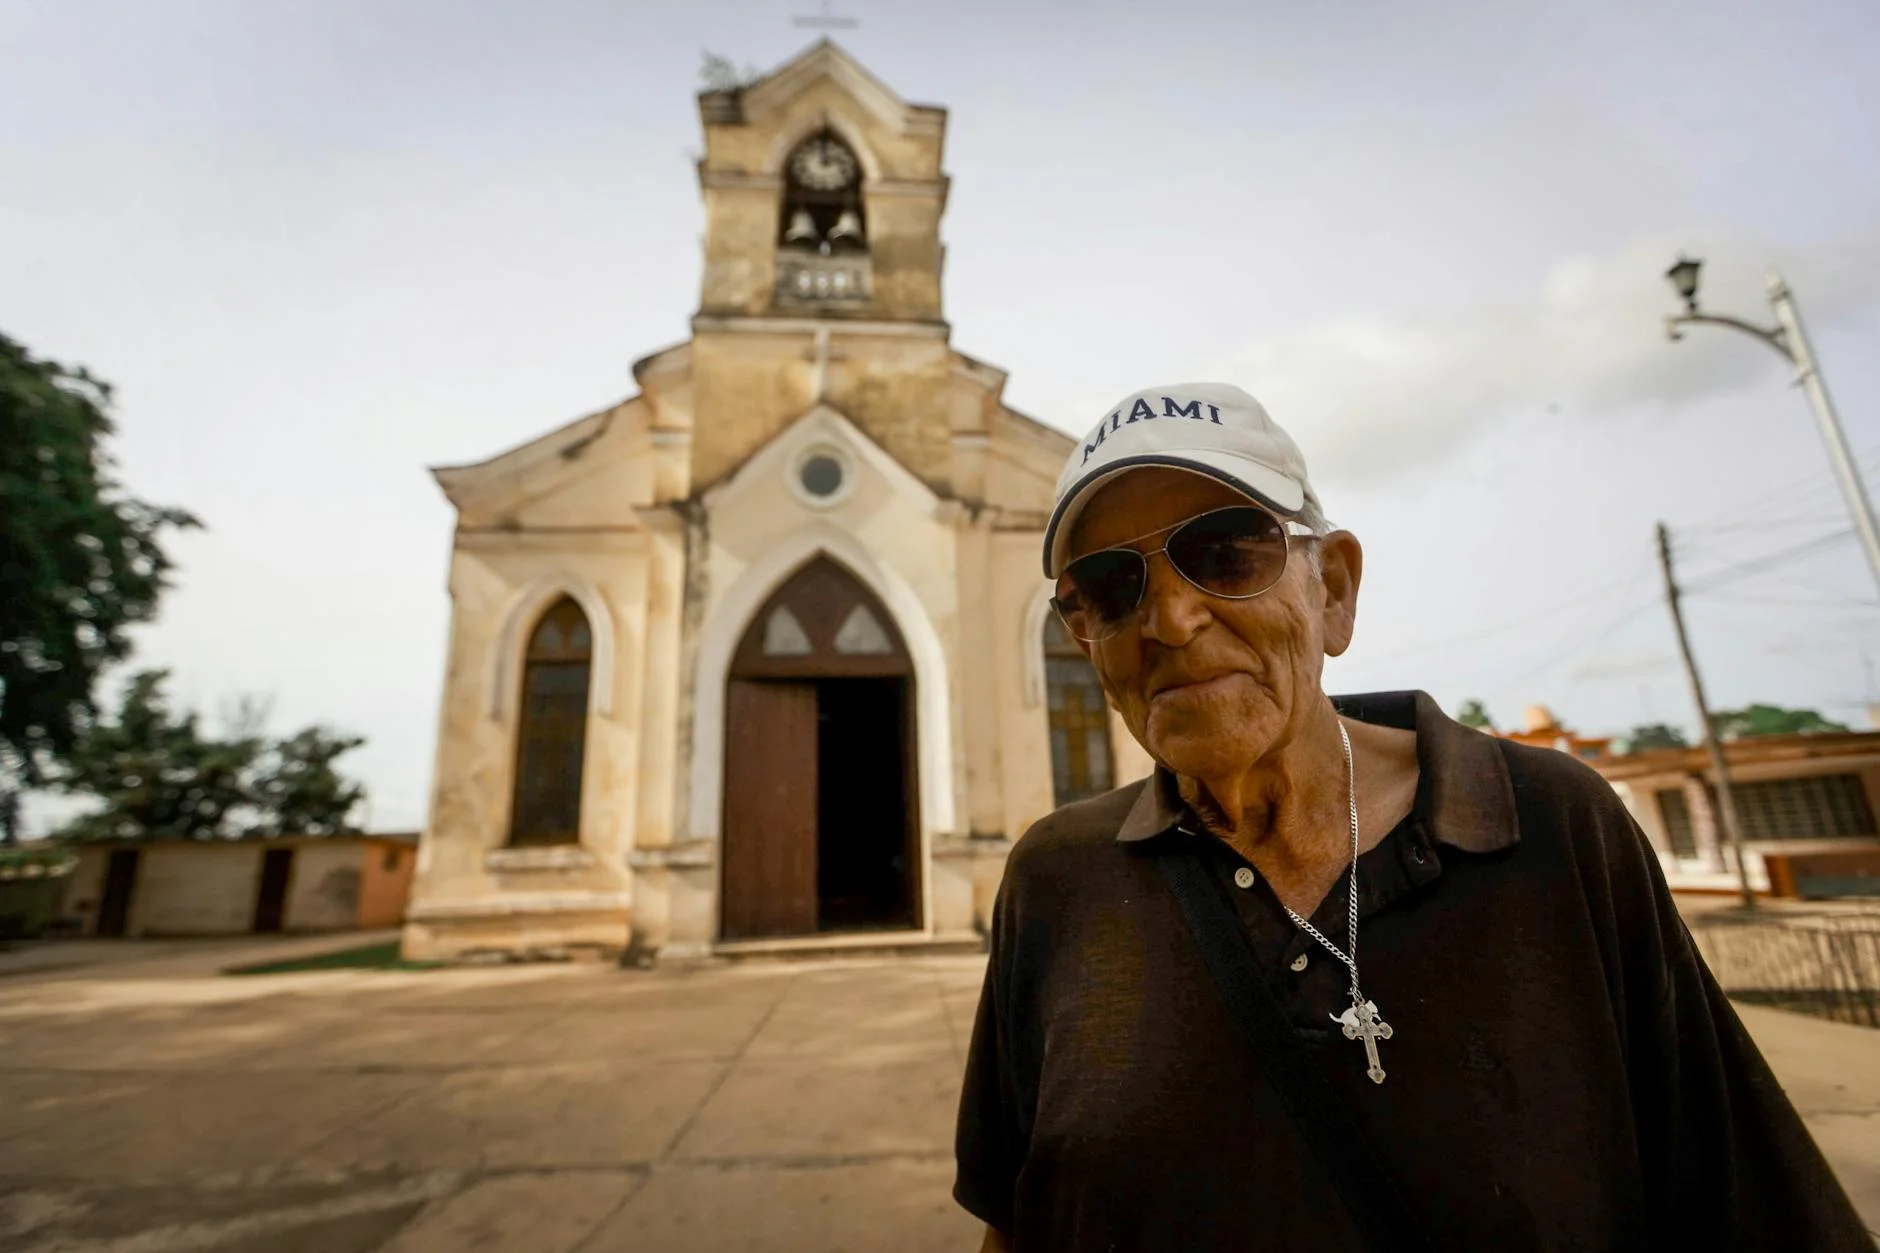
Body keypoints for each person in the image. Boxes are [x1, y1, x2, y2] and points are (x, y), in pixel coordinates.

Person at [953, 383, 1872, 1251]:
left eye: (1228, 550)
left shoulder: (1549, 825)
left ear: (1336, 590)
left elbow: (1740, 1194)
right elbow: (1019, 1219)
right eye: (1113, 589)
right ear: (1086, 639)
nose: (1172, 615)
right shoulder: (1056, 879)